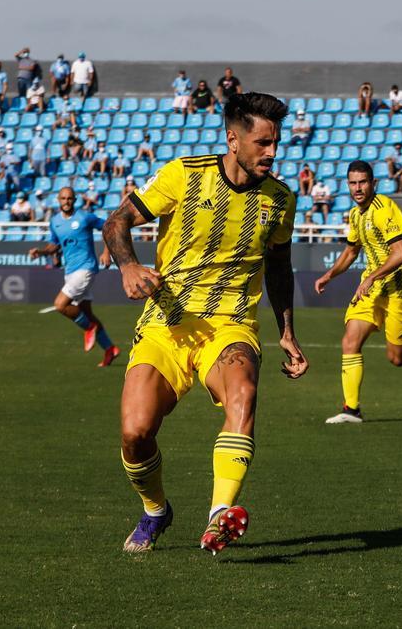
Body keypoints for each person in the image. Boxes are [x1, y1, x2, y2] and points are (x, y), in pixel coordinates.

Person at [100, 92, 308, 554]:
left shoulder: (280, 200)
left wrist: (287, 332)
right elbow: (116, 223)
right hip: (166, 322)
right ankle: (156, 510)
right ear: (233, 140)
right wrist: (129, 267)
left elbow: (279, 268)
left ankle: (219, 516)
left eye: (276, 143)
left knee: (244, 391)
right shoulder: (184, 175)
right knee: (135, 433)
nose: (272, 152)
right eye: (263, 143)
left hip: (231, 321)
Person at [314, 160, 402, 424]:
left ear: (373, 183)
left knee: (397, 357)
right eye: (353, 183)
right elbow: (351, 251)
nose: (357, 188)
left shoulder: (385, 209)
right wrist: (329, 275)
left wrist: (372, 277)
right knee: (350, 341)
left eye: (363, 182)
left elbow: (401, 254)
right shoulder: (356, 214)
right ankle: (351, 410)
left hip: (399, 290)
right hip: (373, 290)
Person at [28, 186, 119, 365]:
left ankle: (89, 328)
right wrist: (40, 251)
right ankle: (110, 349)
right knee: (87, 313)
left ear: (75, 199)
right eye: (63, 198)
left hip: (86, 268)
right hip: (70, 271)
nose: (66, 201)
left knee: (60, 305)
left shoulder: (85, 217)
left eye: (69, 198)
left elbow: (110, 226)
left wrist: (107, 252)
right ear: (58, 200)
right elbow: (54, 245)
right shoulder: (55, 222)